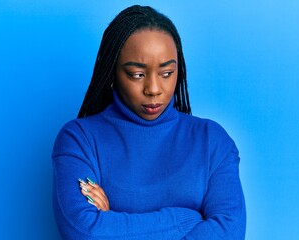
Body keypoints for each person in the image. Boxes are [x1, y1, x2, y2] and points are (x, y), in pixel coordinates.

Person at [52, 5, 246, 239]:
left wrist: (111, 221)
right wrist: (187, 219)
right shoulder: (79, 139)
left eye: (166, 74)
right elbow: (86, 232)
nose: (153, 89)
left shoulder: (211, 140)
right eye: (137, 74)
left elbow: (230, 232)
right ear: (112, 72)